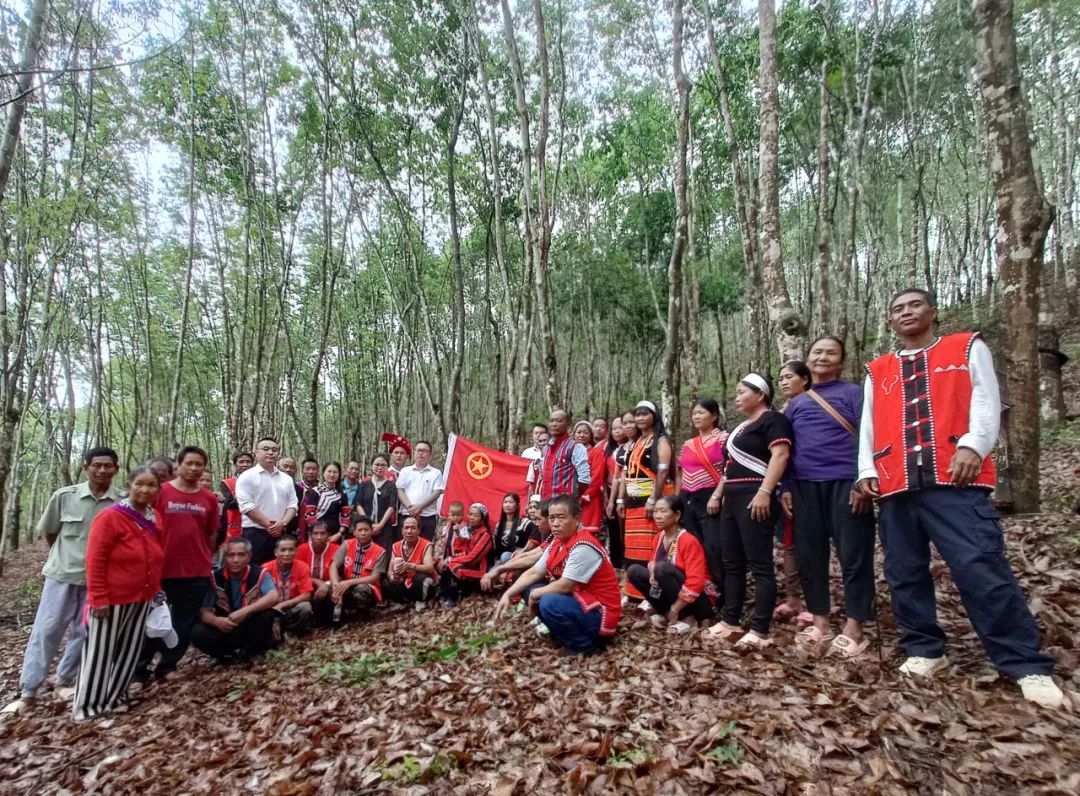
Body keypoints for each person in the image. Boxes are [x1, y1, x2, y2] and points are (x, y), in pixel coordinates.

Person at [857, 288, 1062, 707]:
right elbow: (868, 424)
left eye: (914, 305)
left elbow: (987, 400)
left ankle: (1024, 663)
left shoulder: (965, 346)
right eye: (897, 309)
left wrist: (974, 444)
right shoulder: (879, 369)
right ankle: (924, 649)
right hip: (896, 482)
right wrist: (865, 470)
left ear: (933, 312)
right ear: (890, 320)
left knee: (979, 565)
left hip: (954, 477)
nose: (906, 313)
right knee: (904, 570)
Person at [4, 447, 120, 716]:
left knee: (85, 631)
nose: (102, 470)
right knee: (47, 630)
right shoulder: (64, 497)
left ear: (116, 469)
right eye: (97, 465)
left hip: (99, 581)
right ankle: (29, 690)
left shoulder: (120, 502)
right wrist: (67, 558)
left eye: (108, 466)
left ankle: (65, 681)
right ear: (85, 467)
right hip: (62, 576)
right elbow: (51, 533)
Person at [783, 340, 876, 658]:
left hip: (846, 483)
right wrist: (786, 487)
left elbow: (869, 436)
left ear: (841, 361)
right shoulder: (796, 403)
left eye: (830, 353)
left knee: (854, 555)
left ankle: (854, 626)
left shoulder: (853, 393)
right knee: (810, 556)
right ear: (808, 361)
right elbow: (788, 450)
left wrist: (862, 480)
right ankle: (820, 622)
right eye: (816, 353)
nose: (822, 357)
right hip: (806, 487)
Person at [73, 466, 166, 721]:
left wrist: (156, 591)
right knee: (99, 652)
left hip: (142, 597)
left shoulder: (154, 517)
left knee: (129, 650)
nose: (145, 490)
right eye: (140, 484)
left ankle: (116, 696)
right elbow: (95, 559)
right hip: (111, 598)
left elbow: (155, 554)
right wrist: (98, 598)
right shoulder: (111, 516)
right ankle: (89, 706)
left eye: (152, 485)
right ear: (129, 484)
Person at [706, 374, 792, 649]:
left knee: (760, 564)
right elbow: (729, 467)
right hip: (731, 496)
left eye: (742, 392)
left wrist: (765, 492)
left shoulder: (773, 420)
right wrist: (718, 494)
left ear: (761, 394)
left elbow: (780, 455)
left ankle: (760, 628)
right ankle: (731, 619)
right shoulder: (740, 428)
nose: (737, 397)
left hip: (756, 494)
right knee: (732, 562)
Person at [132, 446, 218, 687]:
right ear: (178, 466)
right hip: (160, 569)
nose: (193, 468)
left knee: (183, 620)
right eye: (188, 463)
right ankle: (139, 670)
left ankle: (168, 665)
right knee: (150, 619)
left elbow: (211, 534)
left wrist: (204, 557)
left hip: (195, 570)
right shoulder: (161, 493)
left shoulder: (208, 499)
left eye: (198, 464)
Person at [493, 495, 622, 656]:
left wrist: (536, 594)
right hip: (581, 603)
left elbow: (565, 585)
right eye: (552, 518)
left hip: (600, 613)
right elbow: (535, 571)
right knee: (531, 588)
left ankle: (584, 646)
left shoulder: (583, 546)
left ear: (577, 519)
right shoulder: (557, 541)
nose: (555, 523)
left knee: (547, 599)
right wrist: (508, 594)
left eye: (561, 517)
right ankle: (564, 634)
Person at [626, 495, 715, 635]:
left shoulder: (688, 540)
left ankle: (687, 618)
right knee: (634, 571)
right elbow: (652, 561)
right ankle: (665, 612)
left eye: (663, 511)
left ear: (677, 514)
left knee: (662, 568)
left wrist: (676, 608)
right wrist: (651, 570)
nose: (658, 516)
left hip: (697, 600)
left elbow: (696, 582)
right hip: (670, 593)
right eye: (655, 511)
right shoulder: (658, 538)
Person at [190, 537, 280, 665]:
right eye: (231, 555)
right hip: (225, 626)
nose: (236, 560)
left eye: (241, 555)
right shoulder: (214, 578)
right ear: (224, 557)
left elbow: (273, 596)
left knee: (266, 615)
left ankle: (253, 652)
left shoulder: (259, 573)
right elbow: (204, 611)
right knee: (197, 631)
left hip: (248, 624)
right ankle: (225, 656)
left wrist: (245, 611)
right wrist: (217, 621)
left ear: (249, 556)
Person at [616, 401, 673, 601]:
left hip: (651, 501)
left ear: (654, 416)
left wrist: (653, 499)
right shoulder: (636, 442)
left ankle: (652, 594)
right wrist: (620, 499)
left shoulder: (661, 440)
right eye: (637, 414)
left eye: (644, 414)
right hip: (633, 501)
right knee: (632, 546)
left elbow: (663, 470)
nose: (640, 418)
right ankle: (633, 592)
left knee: (651, 547)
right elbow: (625, 473)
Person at [675, 398, 727, 590]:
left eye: (701, 413)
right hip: (688, 499)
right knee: (693, 545)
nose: (696, 416)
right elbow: (681, 473)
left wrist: (718, 495)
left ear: (714, 416)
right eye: (694, 413)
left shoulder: (724, 439)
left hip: (712, 498)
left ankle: (722, 590)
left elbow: (728, 469)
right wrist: (678, 499)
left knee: (714, 546)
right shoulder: (688, 443)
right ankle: (699, 588)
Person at [775, 361, 812, 624]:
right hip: (785, 485)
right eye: (781, 379)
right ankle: (793, 599)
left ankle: (815, 600)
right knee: (788, 544)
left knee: (812, 543)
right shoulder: (781, 412)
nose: (785, 382)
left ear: (805, 379)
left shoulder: (813, 405)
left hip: (813, 481)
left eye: (790, 377)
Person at [235, 437, 298, 565]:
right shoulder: (247, 476)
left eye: (274, 450)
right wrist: (269, 525)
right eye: (266, 449)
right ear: (256, 452)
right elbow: (246, 505)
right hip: (254, 532)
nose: (270, 453)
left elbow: (293, 504)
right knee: (254, 571)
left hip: (281, 532)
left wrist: (283, 524)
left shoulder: (287, 479)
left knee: (279, 570)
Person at [330, 516, 388, 620]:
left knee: (361, 589)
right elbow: (333, 565)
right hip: (347, 584)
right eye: (360, 530)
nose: (363, 533)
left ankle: (362, 614)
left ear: (372, 531)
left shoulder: (380, 551)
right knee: (330, 588)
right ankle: (338, 613)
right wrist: (335, 585)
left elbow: (375, 578)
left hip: (368, 588)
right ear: (354, 532)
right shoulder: (347, 544)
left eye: (366, 530)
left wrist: (350, 582)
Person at [527, 410, 590, 501]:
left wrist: (573, 498)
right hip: (546, 501)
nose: (554, 424)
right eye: (551, 421)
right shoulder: (546, 448)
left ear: (568, 425)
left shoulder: (575, 447)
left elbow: (584, 479)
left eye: (559, 421)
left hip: (565, 504)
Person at [438, 503, 494, 606]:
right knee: (440, 563)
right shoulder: (469, 531)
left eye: (476, 515)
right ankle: (443, 595)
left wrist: (450, 560)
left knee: (453, 567)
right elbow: (465, 552)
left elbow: (473, 558)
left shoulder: (485, 535)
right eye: (470, 514)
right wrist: (449, 558)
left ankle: (452, 598)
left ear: (483, 519)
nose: (471, 517)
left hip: (480, 569)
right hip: (468, 564)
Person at [262, 536, 314, 636]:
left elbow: (307, 595)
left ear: (296, 551)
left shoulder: (302, 567)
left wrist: (285, 604)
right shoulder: (265, 569)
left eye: (291, 550)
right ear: (276, 552)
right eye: (283, 550)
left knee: (305, 607)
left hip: (290, 608)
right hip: (271, 610)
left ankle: (290, 633)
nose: (287, 554)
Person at [384, 515, 437, 610]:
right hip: (403, 581)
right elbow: (390, 571)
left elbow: (430, 568)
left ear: (419, 531)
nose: (409, 531)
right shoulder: (396, 546)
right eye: (406, 528)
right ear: (402, 531)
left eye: (413, 528)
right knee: (386, 582)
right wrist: (392, 577)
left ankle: (421, 601)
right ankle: (402, 602)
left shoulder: (426, 545)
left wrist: (411, 566)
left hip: (419, 583)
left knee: (420, 578)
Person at [396, 440, 445, 541]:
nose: (421, 453)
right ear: (414, 453)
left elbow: (436, 493)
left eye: (424, 451)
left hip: (427, 517)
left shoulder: (436, 473)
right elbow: (399, 490)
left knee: (425, 546)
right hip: (406, 515)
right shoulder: (405, 471)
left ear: (430, 454)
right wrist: (411, 508)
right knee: (404, 547)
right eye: (418, 450)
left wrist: (419, 507)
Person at [606, 414, 635, 569]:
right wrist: (612, 499)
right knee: (619, 532)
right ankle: (621, 566)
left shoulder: (641, 444)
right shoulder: (616, 450)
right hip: (617, 495)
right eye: (615, 427)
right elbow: (617, 476)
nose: (619, 430)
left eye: (622, 426)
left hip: (638, 495)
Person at [295, 520, 339, 623]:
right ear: (310, 535)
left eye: (323, 533)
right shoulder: (301, 549)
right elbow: (297, 574)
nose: (319, 537)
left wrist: (327, 584)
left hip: (329, 587)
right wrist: (318, 582)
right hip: (305, 586)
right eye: (315, 533)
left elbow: (341, 575)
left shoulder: (337, 549)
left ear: (329, 535)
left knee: (335, 590)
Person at [355, 453, 398, 548]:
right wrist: (367, 524)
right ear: (372, 466)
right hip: (364, 528)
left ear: (387, 467)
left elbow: (391, 507)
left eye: (383, 465)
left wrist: (380, 525)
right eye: (377, 464)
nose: (380, 467)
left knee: (382, 555)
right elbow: (358, 504)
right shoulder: (364, 484)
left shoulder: (391, 486)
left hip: (384, 528)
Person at [301, 461, 350, 544]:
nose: (332, 474)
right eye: (329, 471)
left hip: (336, 535)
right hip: (318, 536)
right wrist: (319, 534)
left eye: (335, 472)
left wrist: (339, 533)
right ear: (323, 473)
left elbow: (346, 516)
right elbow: (309, 515)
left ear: (339, 475)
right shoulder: (315, 491)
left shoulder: (342, 493)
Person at [572, 421, 607, 537]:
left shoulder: (595, 453)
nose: (582, 435)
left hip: (589, 499)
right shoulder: (569, 452)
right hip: (570, 498)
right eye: (579, 432)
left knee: (588, 535)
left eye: (585, 432)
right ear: (574, 434)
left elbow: (597, 477)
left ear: (591, 435)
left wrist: (584, 496)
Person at [218, 451, 253, 544]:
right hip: (234, 527)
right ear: (235, 465)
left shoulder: (261, 481)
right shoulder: (227, 483)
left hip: (256, 527)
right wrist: (252, 499)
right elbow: (230, 504)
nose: (245, 464)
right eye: (241, 462)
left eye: (248, 462)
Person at [493, 493, 536, 565]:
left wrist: (522, 551)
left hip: (520, 558)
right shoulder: (499, 525)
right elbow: (496, 547)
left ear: (517, 506)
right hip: (502, 561)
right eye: (505, 502)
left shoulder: (525, 523)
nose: (507, 505)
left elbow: (533, 543)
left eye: (511, 502)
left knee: (505, 556)